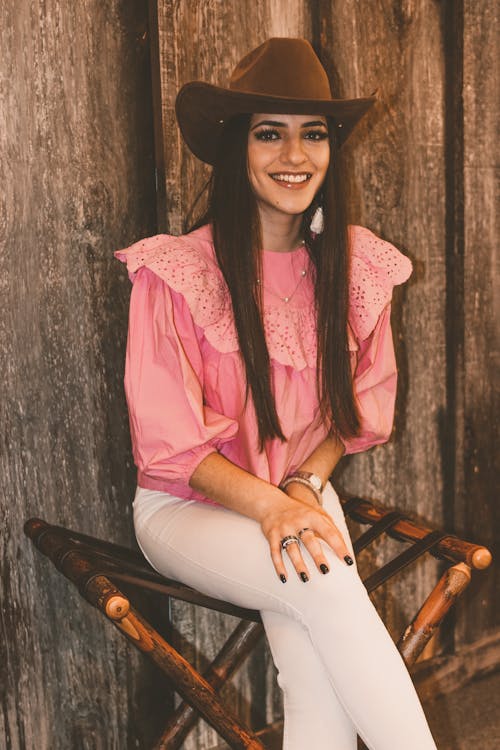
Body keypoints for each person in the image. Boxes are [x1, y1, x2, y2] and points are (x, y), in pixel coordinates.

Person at [116, 37, 438, 750]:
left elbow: (354, 414)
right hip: (186, 507)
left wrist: (300, 484)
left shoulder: (351, 267)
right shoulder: (178, 272)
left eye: (313, 134)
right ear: (238, 146)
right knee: (324, 586)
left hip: (297, 487)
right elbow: (169, 446)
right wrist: (271, 507)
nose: (295, 155)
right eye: (271, 133)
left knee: (312, 659)